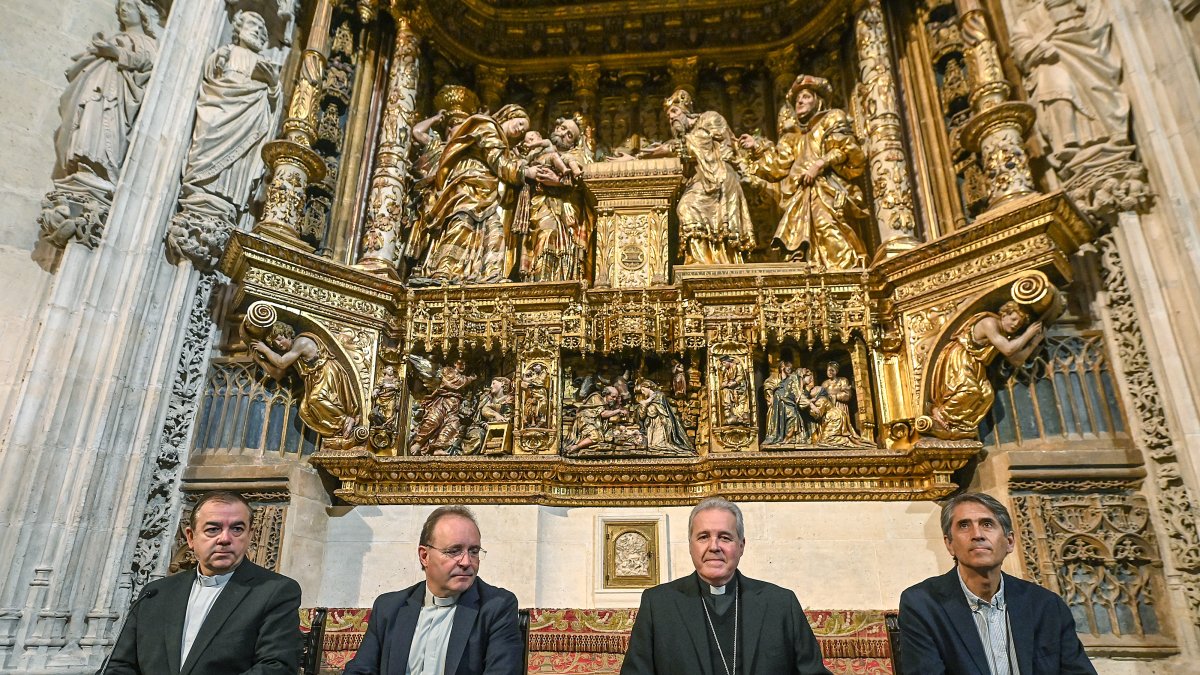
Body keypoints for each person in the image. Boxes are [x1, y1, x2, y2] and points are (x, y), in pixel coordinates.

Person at [621, 498, 831, 675]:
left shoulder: (781, 603)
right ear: (691, 546)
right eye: (703, 537)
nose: (714, 547)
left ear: (741, 546)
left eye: (725, 537)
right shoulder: (658, 605)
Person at [104, 491, 302, 674]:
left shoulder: (274, 591)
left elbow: (277, 667)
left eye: (237, 529)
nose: (225, 539)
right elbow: (119, 665)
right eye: (213, 529)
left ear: (250, 535)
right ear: (190, 537)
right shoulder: (155, 593)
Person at [899, 492, 1097, 675]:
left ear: (1010, 542)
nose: (977, 535)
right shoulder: (923, 604)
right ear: (949, 544)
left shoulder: (1046, 605)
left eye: (987, 524)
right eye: (964, 525)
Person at [344, 506, 523, 675]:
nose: (467, 562)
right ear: (424, 556)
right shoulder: (389, 608)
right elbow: (360, 670)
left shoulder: (496, 606)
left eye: (474, 551)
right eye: (454, 551)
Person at [415, 103, 559, 284]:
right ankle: (442, 272)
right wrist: (526, 172)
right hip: (469, 187)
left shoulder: (504, 146)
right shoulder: (487, 126)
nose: (519, 130)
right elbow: (497, 160)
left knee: (495, 233)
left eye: (523, 130)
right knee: (462, 226)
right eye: (520, 123)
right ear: (510, 114)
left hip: (487, 195)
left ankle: (490, 277)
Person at [739, 75, 868, 269]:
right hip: (800, 196)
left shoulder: (832, 119)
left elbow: (849, 151)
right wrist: (756, 146)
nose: (799, 101)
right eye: (797, 99)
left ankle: (846, 272)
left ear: (818, 100)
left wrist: (819, 164)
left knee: (828, 227)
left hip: (826, 190)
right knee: (797, 240)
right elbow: (777, 166)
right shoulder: (792, 137)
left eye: (806, 96)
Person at [641, 89, 754, 265]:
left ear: (686, 111)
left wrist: (664, 150)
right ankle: (699, 261)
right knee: (685, 208)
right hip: (701, 181)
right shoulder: (684, 138)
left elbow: (702, 142)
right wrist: (640, 157)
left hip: (720, 179)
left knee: (688, 207)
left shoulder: (710, 118)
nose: (671, 118)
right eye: (668, 116)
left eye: (674, 112)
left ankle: (717, 262)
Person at [928, 301, 1045, 439]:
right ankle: (940, 414)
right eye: (1013, 319)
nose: (1015, 325)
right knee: (969, 390)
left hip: (977, 364)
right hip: (962, 356)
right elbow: (1008, 349)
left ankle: (958, 424)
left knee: (987, 395)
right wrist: (1028, 334)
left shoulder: (1005, 336)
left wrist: (1034, 343)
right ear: (1004, 314)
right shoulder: (989, 323)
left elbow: (1016, 360)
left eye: (1019, 324)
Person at [517, 115, 595, 282]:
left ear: (573, 142)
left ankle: (562, 281)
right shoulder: (539, 152)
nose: (563, 133)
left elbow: (585, 184)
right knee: (543, 233)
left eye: (569, 134)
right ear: (555, 128)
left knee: (556, 235)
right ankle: (540, 281)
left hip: (567, 208)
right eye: (563, 128)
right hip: (540, 202)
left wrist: (558, 182)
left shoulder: (577, 155)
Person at [250, 321, 359, 439]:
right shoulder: (292, 353)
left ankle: (346, 420)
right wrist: (259, 360)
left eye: (280, 339)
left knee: (316, 399)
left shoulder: (300, 342)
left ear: (288, 334)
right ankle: (338, 431)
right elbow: (278, 375)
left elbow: (281, 363)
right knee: (305, 411)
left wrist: (265, 349)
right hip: (314, 378)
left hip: (326, 371)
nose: (278, 344)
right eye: (274, 343)